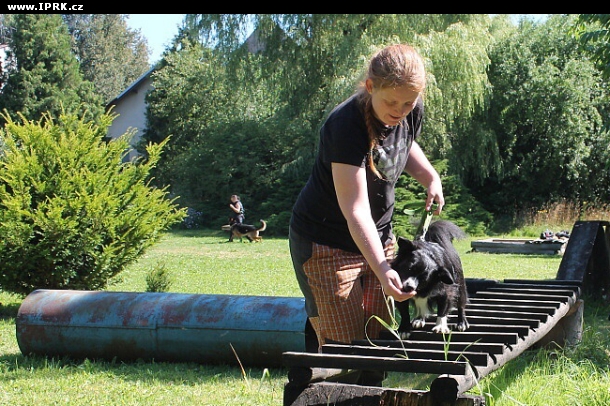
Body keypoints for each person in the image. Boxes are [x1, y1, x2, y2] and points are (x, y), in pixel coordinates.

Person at [289, 44, 445, 354]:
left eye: (408, 103)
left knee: (379, 335)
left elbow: (403, 144)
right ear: (371, 86)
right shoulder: (346, 124)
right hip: (326, 243)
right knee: (343, 344)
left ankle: (374, 386)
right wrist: (383, 269)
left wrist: (430, 177)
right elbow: (356, 209)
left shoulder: (409, 110)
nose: (400, 111)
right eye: (391, 102)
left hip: (379, 238)